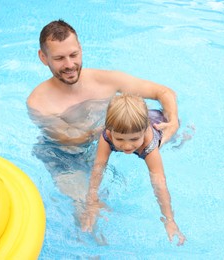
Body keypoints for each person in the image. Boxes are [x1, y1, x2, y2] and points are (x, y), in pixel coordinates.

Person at [26, 20, 180, 208]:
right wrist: (109, 130)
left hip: (112, 135)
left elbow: (164, 92)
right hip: (66, 155)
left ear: (80, 48)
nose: (70, 64)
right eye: (59, 58)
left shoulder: (106, 80)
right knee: (86, 206)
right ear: (43, 57)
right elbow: (71, 139)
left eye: (74, 55)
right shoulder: (39, 102)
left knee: (172, 129)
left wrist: (172, 122)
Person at [80, 94, 186, 246]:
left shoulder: (149, 145)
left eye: (134, 139)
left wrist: (169, 219)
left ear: (144, 131)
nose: (127, 146)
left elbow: (159, 182)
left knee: (175, 141)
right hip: (132, 120)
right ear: (110, 130)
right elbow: (98, 167)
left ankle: (185, 134)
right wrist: (92, 201)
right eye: (120, 139)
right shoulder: (108, 135)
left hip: (159, 121)